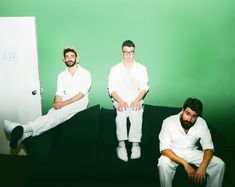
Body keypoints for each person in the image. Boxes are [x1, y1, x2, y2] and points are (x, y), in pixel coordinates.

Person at [4, 47, 92, 149]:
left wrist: (62, 104)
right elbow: (59, 93)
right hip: (64, 103)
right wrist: (56, 102)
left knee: (56, 116)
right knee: (51, 116)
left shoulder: (85, 73)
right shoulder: (61, 76)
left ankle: (22, 128)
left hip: (79, 104)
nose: (69, 58)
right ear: (64, 59)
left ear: (76, 58)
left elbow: (80, 95)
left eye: (72, 56)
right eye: (67, 56)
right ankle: (24, 135)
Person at [157, 97, 225, 187]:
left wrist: (202, 167)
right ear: (183, 110)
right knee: (163, 164)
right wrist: (185, 164)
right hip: (172, 152)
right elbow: (164, 149)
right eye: (187, 114)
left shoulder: (201, 123)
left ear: (198, 116)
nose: (189, 119)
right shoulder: (168, 122)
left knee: (219, 164)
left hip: (192, 152)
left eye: (194, 116)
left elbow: (208, 147)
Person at [108, 40, 149, 162]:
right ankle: (121, 145)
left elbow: (144, 87)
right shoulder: (114, 69)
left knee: (136, 113)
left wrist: (137, 100)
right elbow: (111, 89)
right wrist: (120, 101)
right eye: (126, 52)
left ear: (134, 52)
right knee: (120, 114)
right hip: (120, 99)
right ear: (122, 52)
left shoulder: (141, 68)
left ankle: (136, 145)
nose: (128, 55)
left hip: (136, 99)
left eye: (131, 52)